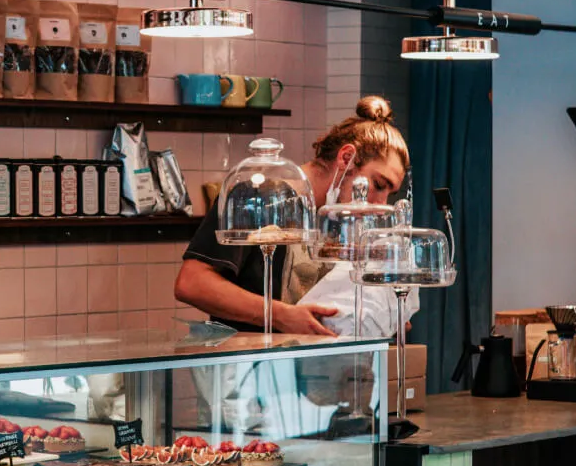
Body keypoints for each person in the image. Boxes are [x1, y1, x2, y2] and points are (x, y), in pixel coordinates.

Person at [175, 95, 410, 335]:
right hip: (246, 365)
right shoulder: (260, 197)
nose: (380, 203)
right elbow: (192, 283)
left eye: (389, 194)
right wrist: (281, 316)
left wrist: (379, 313)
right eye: (379, 185)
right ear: (346, 158)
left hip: (308, 366)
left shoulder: (339, 222)